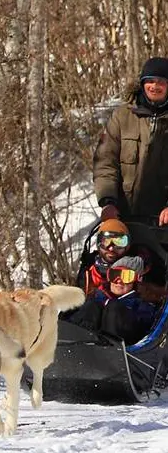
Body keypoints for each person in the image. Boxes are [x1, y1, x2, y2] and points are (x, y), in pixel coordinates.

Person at [94, 56, 168, 226]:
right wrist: (107, 203)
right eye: (150, 80)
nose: (155, 86)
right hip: (122, 216)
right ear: (142, 83)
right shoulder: (122, 116)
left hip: (162, 221)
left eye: (161, 81)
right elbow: (105, 162)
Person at [70, 255, 157, 345]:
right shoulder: (95, 297)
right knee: (92, 306)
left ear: (136, 280)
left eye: (126, 277)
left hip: (122, 352)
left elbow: (145, 330)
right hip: (82, 349)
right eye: (114, 275)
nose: (118, 281)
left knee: (114, 307)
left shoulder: (142, 306)